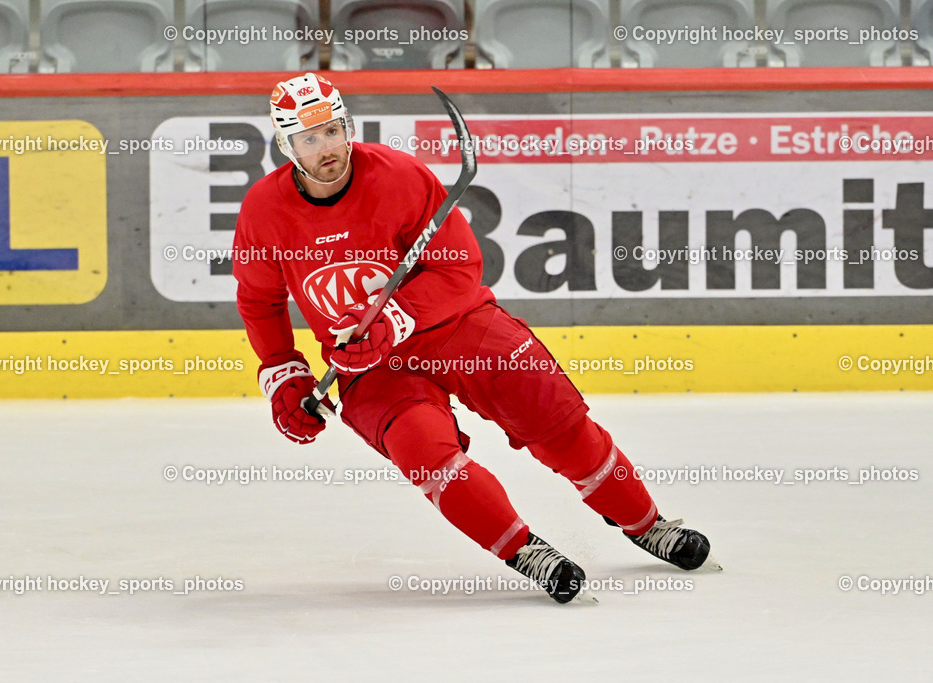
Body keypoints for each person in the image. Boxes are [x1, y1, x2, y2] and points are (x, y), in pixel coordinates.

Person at [233, 73, 715, 604]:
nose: (327, 148)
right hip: (372, 366)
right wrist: (283, 371)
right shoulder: (264, 210)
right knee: (425, 455)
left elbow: (460, 265)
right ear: (286, 145)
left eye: (333, 130)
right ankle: (526, 550)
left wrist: (397, 317)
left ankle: (646, 524)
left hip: (457, 326)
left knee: (556, 420)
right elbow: (260, 301)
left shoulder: (398, 176)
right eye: (310, 138)